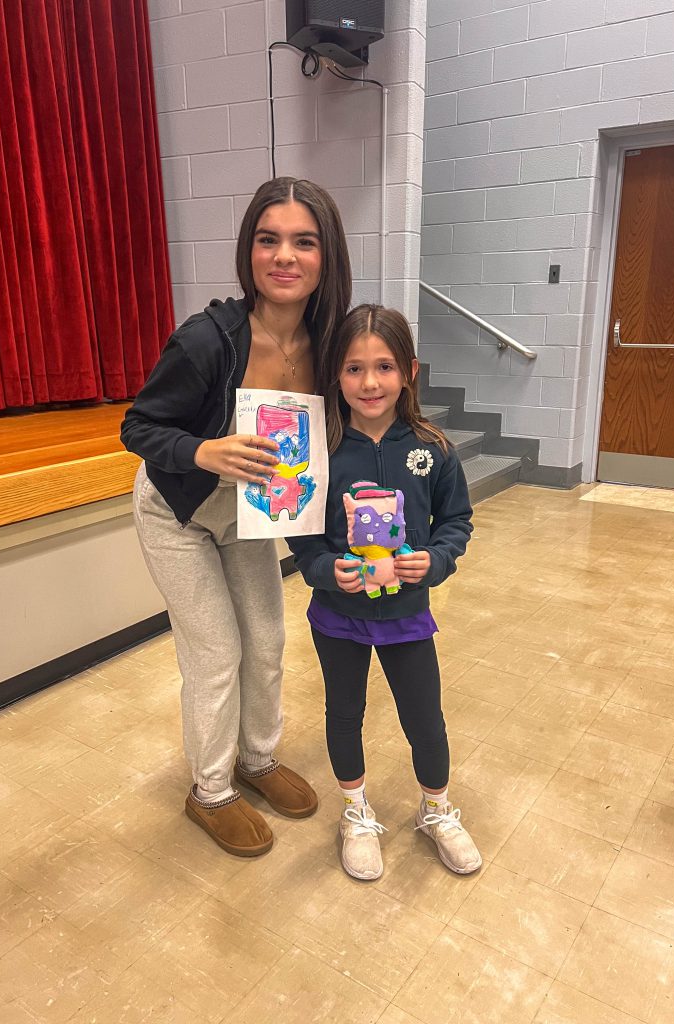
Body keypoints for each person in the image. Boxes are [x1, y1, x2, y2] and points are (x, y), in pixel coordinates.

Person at [121, 177, 351, 857]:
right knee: (217, 653)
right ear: (248, 251)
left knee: (268, 641)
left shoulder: (328, 343)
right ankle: (211, 790)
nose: (284, 255)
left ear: (325, 255)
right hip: (179, 510)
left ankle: (258, 760)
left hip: (248, 516)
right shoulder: (206, 340)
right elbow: (138, 427)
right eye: (267, 239)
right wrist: (203, 449)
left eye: (303, 241)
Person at [287, 304, 481, 880]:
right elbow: (303, 539)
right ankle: (355, 812)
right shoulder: (316, 450)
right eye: (353, 369)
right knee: (344, 714)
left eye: (384, 366)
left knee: (424, 717)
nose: (369, 382)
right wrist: (327, 571)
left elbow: (457, 522)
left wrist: (436, 559)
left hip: (406, 615)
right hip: (338, 616)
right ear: (334, 374)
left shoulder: (433, 448)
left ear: (409, 372)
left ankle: (438, 810)